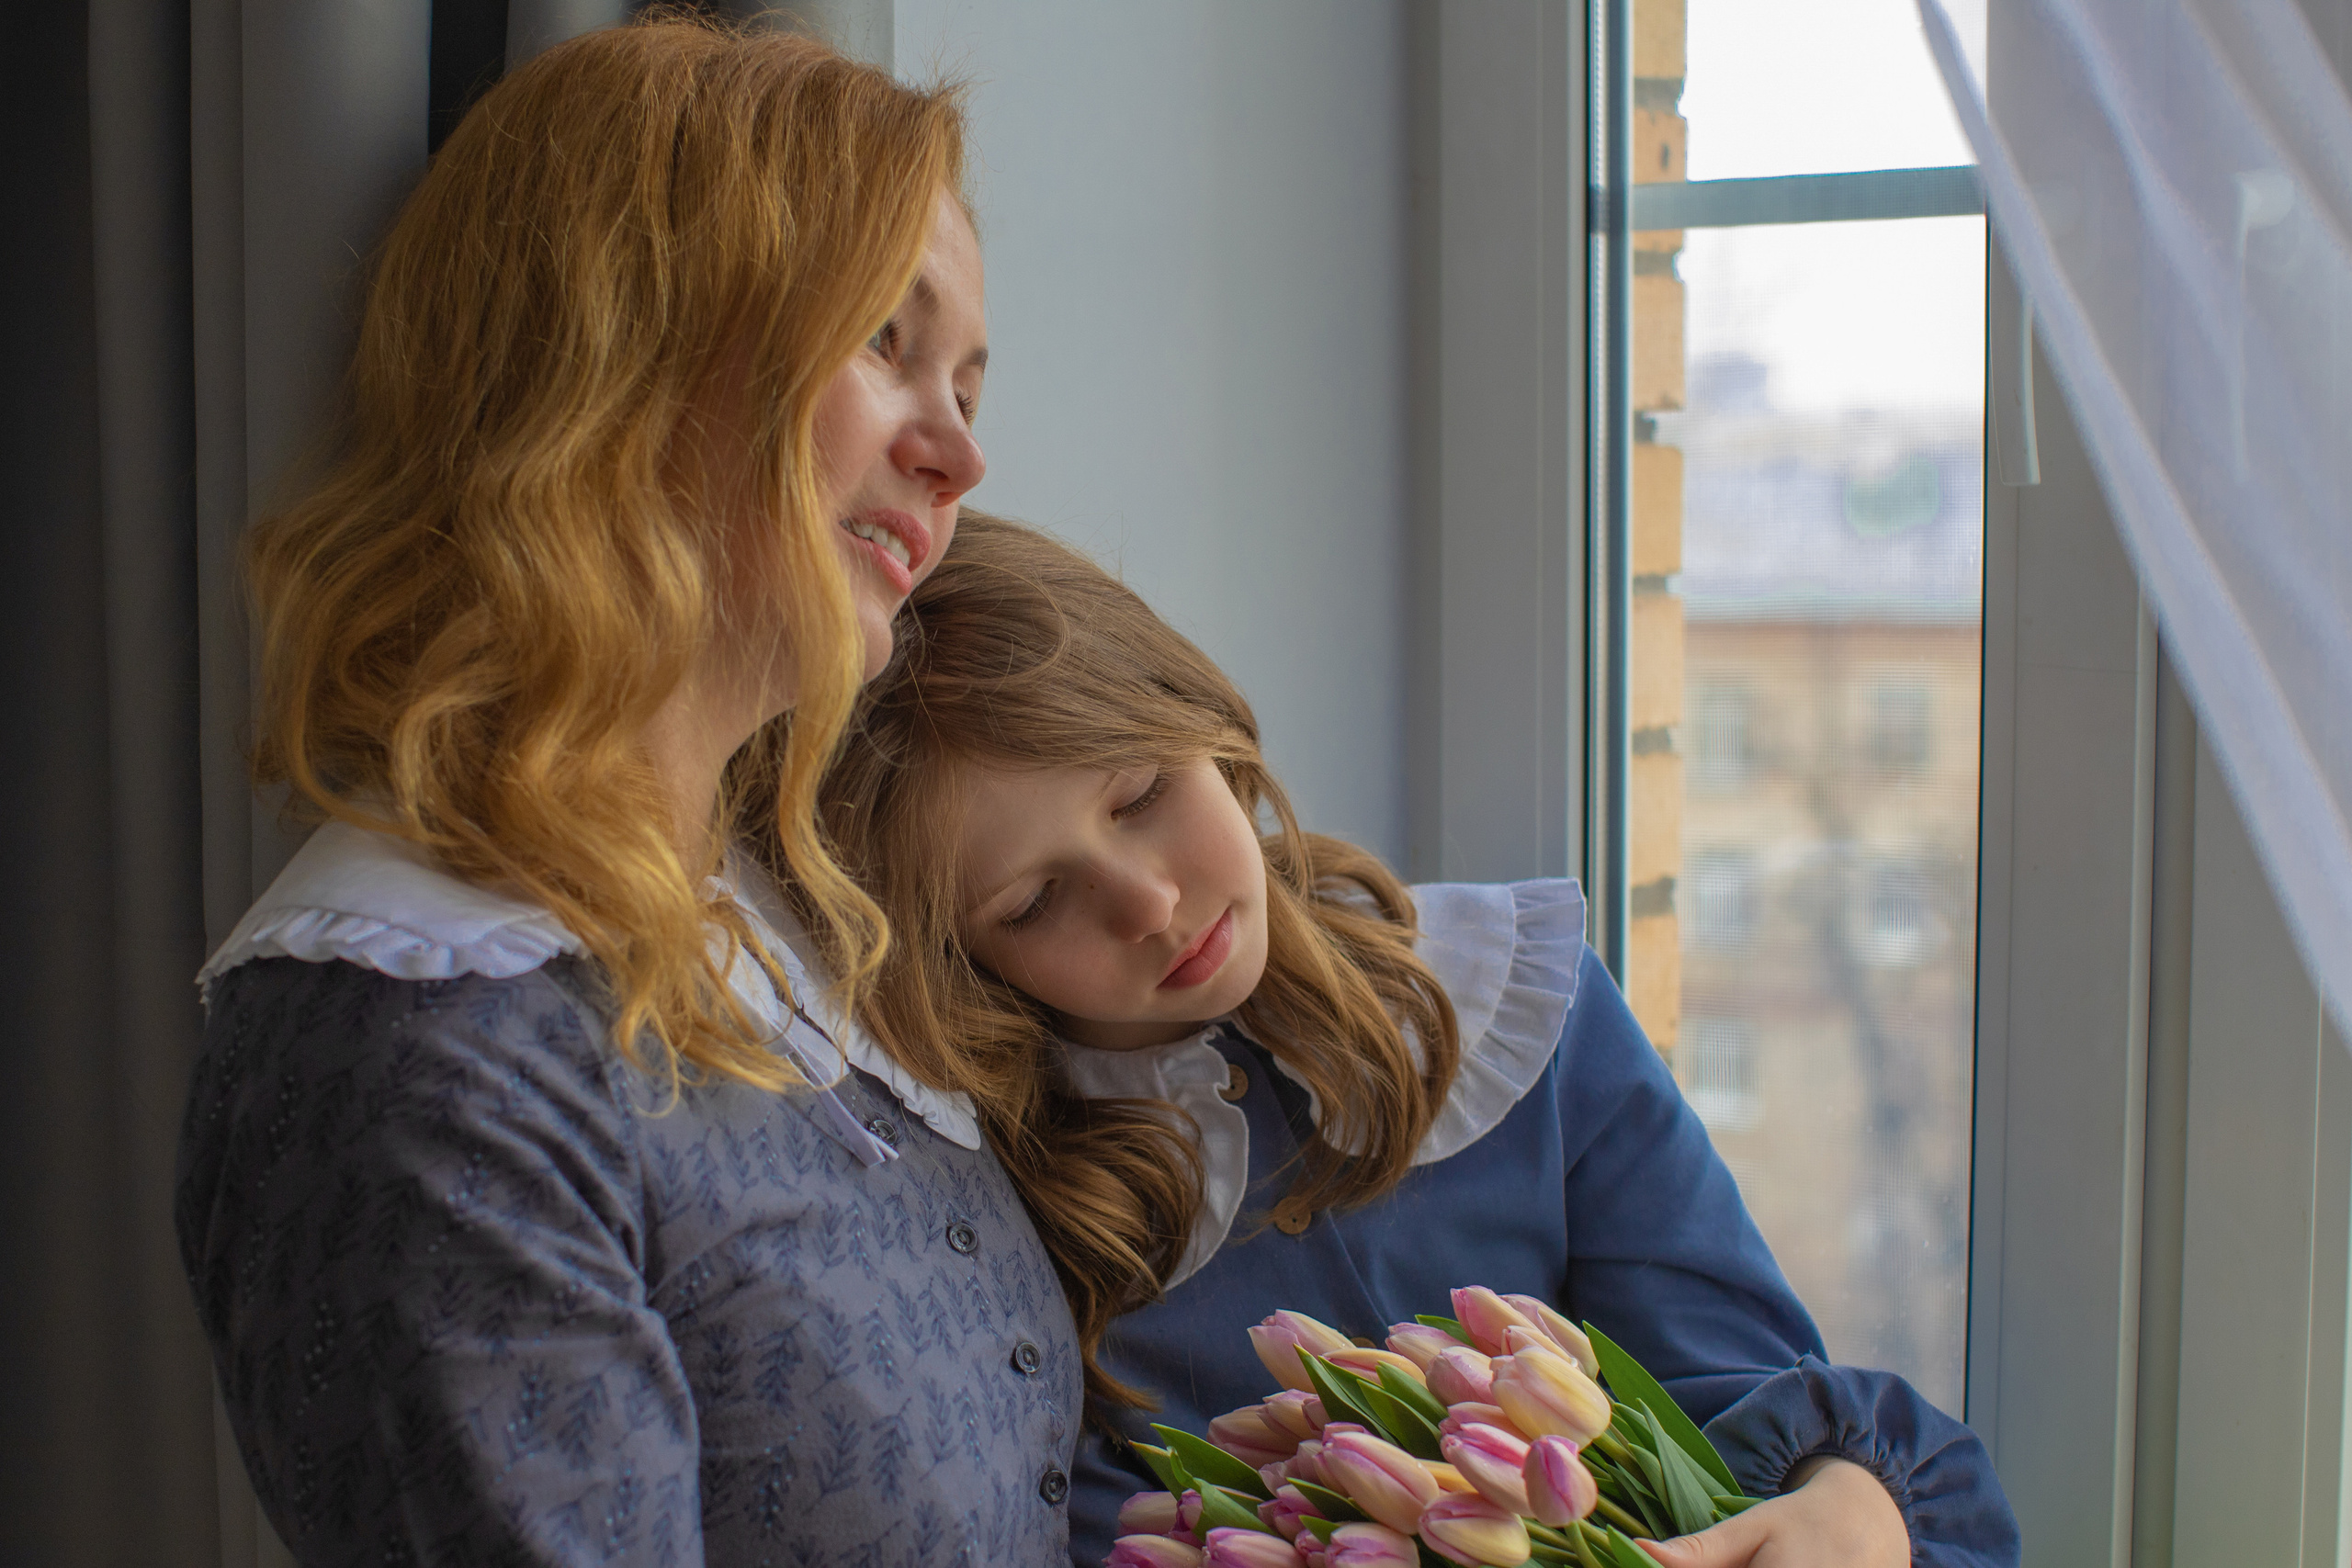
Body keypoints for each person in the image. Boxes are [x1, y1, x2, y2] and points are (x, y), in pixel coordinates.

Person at [175, 18, 1086, 1564]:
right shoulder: (416, 1039)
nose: (958, 459)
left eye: (970, 384)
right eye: (882, 338)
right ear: (630, 349)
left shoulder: (785, 922)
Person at [807, 513, 2022, 1567]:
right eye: (1034, 903)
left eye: (1141, 795)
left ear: (1211, 728)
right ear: (965, 965)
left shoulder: (1516, 1010)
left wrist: (1845, 1502)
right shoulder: (1022, 1211)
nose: (1149, 903)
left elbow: (1741, 1404)